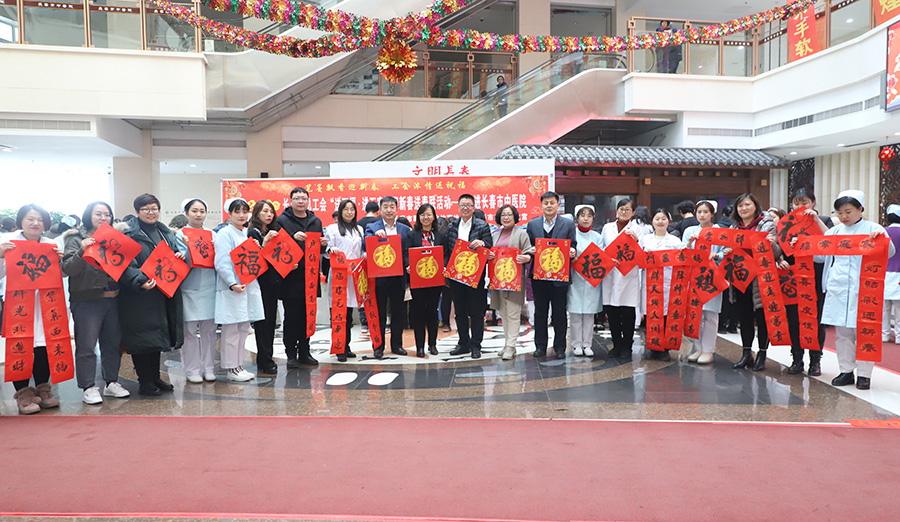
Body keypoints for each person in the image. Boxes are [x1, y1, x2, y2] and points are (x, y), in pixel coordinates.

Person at [814, 191, 895, 390]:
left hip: (865, 290)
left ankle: (865, 375)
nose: (844, 216)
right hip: (839, 288)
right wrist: (799, 246)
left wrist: (880, 240)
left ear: (860, 209)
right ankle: (846, 371)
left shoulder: (874, 229)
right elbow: (819, 256)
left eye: (848, 211)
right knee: (843, 334)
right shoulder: (834, 232)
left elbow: (890, 252)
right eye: (840, 212)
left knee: (865, 332)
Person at [62, 201, 130, 404]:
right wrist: (82, 250)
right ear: (88, 216)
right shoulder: (75, 238)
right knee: (86, 345)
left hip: (114, 299)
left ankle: (111, 382)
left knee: (112, 344)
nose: (103, 218)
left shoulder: (115, 238)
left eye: (107, 214)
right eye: (98, 214)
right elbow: (68, 269)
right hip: (87, 300)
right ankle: (88, 386)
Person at [118, 193, 184, 396]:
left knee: (157, 335)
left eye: (154, 208)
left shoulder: (165, 232)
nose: (150, 212)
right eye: (145, 209)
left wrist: (178, 256)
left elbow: (171, 256)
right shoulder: (129, 235)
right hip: (139, 294)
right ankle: (145, 381)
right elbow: (126, 264)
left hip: (162, 292)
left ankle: (155, 377)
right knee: (142, 337)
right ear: (137, 211)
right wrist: (140, 281)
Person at [0, 204, 64, 414]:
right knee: (20, 346)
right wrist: (0, 256)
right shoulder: (8, 242)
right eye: (30, 219)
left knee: (44, 346)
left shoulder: (51, 244)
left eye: (40, 220)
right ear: (21, 221)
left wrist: (60, 261)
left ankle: (43, 390)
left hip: (45, 303)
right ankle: (24, 395)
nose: (36, 223)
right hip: (18, 304)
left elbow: (60, 274)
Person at [726, 193, 780, 372]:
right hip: (741, 277)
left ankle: (762, 355)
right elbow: (730, 248)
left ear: (755, 206)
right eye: (740, 205)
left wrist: (771, 244)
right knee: (744, 317)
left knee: (762, 318)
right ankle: (746, 354)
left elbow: (777, 253)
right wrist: (727, 251)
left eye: (747, 204)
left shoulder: (767, 225)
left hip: (761, 279)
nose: (744, 208)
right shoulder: (734, 227)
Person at [214, 198, 264, 381]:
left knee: (243, 328)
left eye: (245, 211)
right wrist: (231, 283)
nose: (242, 215)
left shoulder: (244, 233)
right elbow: (222, 262)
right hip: (233, 288)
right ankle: (231, 367)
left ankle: (239, 365)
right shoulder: (224, 234)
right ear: (230, 213)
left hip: (247, 286)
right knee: (231, 329)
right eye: (237, 211)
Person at [784, 188, 831, 375]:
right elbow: (783, 250)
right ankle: (797, 358)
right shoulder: (787, 223)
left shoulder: (824, 220)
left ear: (813, 202)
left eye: (804, 202)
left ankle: (815, 360)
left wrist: (816, 220)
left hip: (816, 278)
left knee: (816, 319)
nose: (800, 206)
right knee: (794, 318)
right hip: (795, 277)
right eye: (796, 203)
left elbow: (833, 241)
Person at [526, 191, 577, 359]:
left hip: (559, 276)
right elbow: (528, 246)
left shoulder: (568, 224)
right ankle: (540, 346)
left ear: (557, 205)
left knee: (559, 313)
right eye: (546, 203)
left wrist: (572, 251)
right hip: (539, 276)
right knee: (540, 313)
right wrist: (531, 250)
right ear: (541, 205)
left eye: (552, 203)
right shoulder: (532, 224)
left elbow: (573, 245)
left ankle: (560, 347)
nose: (549, 206)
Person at [277, 187, 323, 368]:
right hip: (291, 277)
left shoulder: (316, 221)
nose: (301, 201)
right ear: (290, 201)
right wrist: (292, 237)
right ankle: (291, 353)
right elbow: (276, 246)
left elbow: (319, 248)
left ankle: (305, 351)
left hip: (310, 277)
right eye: (297, 198)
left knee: (307, 316)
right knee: (291, 317)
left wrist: (323, 244)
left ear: (308, 201)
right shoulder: (282, 220)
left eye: (304, 198)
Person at [175, 198, 218, 383]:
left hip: (210, 286)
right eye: (194, 211)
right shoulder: (180, 234)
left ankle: (208, 368)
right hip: (190, 287)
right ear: (186, 213)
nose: (199, 214)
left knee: (210, 330)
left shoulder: (212, 233)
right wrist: (187, 249)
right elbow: (181, 261)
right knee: (190, 331)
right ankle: (192, 369)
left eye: (202, 211)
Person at [445, 194, 493, 358]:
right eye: (462, 205)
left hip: (475, 275)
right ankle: (463, 343)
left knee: (476, 311)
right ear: (458, 207)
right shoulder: (452, 226)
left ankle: (476, 345)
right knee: (460, 311)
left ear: (473, 207)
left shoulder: (482, 226)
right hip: (456, 275)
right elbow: (447, 249)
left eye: (468, 205)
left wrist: (482, 243)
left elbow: (489, 246)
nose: (465, 208)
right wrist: (446, 266)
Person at [364, 196, 411, 359]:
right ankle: (378, 346)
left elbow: (407, 252)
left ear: (397, 209)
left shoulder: (405, 229)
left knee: (398, 312)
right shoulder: (372, 227)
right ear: (380, 210)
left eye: (392, 207)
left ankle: (397, 345)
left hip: (398, 277)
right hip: (379, 277)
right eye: (385, 207)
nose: (389, 210)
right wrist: (374, 237)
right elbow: (365, 245)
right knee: (379, 313)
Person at [601, 199, 646, 360]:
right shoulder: (607, 228)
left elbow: (642, 254)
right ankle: (616, 345)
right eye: (621, 209)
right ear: (616, 211)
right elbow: (602, 248)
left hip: (628, 276)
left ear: (633, 212)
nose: (624, 212)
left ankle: (627, 346)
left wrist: (636, 239)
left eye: (627, 209)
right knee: (612, 313)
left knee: (627, 313)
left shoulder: (637, 229)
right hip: (610, 273)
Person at [682, 200, 724, 365]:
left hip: (712, 278)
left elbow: (726, 252)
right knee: (695, 314)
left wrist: (717, 256)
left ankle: (708, 350)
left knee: (710, 315)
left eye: (705, 212)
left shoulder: (719, 231)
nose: (702, 215)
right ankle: (698, 347)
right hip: (694, 277)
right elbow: (682, 253)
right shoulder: (690, 231)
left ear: (712, 214)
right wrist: (689, 243)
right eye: (699, 212)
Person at [488, 204, 532, 360]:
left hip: (514, 280)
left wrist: (526, 258)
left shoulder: (521, 234)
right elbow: (490, 253)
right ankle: (507, 344)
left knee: (513, 313)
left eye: (509, 215)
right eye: (503, 215)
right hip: (498, 280)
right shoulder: (494, 235)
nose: (506, 218)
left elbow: (529, 253)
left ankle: (511, 346)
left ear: (515, 217)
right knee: (503, 314)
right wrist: (489, 256)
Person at [639, 209, 683, 361]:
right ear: (652, 221)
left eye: (663, 219)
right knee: (651, 315)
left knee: (665, 316)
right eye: (657, 219)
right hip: (650, 283)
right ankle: (651, 347)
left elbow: (681, 260)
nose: (660, 222)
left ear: (668, 221)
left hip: (667, 283)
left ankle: (664, 349)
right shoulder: (645, 240)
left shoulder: (675, 241)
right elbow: (638, 260)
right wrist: (644, 253)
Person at [406, 203, 447, 357]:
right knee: (418, 313)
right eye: (422, 214)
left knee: (432, 312)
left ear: (434, 217)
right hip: (417, 280)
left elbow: (445, 254)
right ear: (418, 217)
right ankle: (419, 346)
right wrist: (408, 265)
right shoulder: (412, 235)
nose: (426, 217)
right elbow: (406, 254)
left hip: (435, 281)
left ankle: (432, 344)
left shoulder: (440, 235)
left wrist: (444, 266)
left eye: (429, 214)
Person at [247, 200, 283, 374]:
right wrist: (266, 241)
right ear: (256, 213)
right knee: (263, 323)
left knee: (270, 322)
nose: (269, 215)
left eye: (271, 212)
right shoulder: (253, 232)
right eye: (265, 211)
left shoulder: (270, 230)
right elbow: (255, 258)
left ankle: (267, 358)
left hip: (272, 283)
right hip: (260, 283)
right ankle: (264, 360)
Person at [324, 199, 363, 362]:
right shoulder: (332, 228)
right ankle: (339, 348)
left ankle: (347, 346)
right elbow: (327, 249)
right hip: (339, 275)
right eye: (346, 209)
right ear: (340, 212)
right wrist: (331, 249)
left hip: (353, 276)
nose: (349, 212)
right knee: (338, 312)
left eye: (352, 209)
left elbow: (361, 250)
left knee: (349, 313)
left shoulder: (359, 229)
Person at [568, 205, 603, 358]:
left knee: (589, 314)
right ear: (577, 218)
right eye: (583, 215)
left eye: (589, 216)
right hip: (575, 278)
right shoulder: (572, 235)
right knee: (575, 314)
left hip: (591, 280)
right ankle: (576, 344)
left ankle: (587, 344)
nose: (586, 219)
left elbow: (600, 256)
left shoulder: (597, 237)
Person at [356, 201, 380, 334]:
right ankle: (375, 320)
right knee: (376, 292)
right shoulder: (379, 224)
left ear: (365, 211)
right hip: (377, 262)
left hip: (361, 261)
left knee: (362, 289)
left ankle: (364, 322)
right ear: (378, 212)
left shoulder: (358, 224)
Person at [884, 204, 900, 344]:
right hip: (899, 275)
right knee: (899, 307)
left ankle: (885, 334)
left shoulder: (882, 232)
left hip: (884, 273)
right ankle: (899, 336)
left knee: (884, 307)